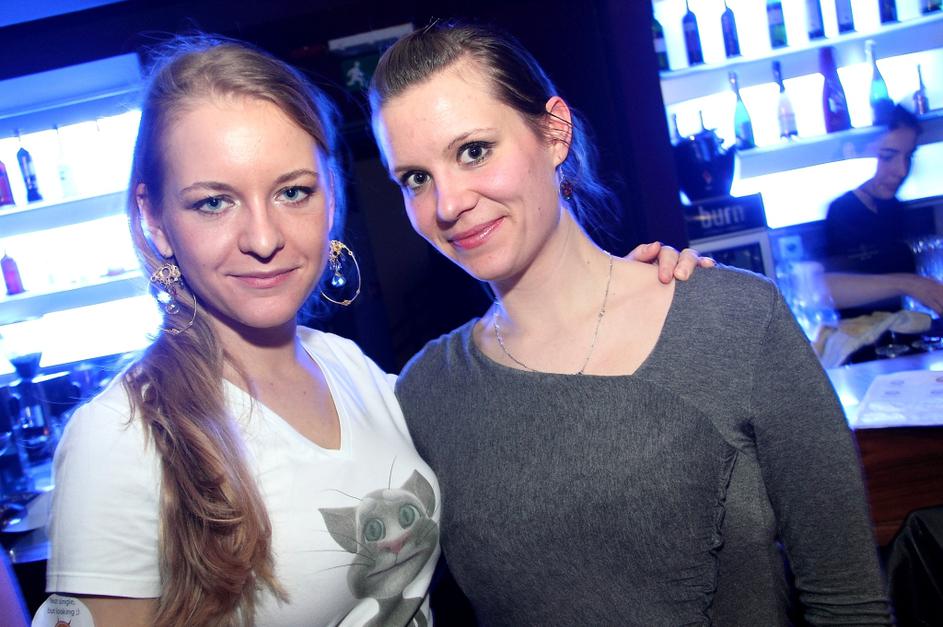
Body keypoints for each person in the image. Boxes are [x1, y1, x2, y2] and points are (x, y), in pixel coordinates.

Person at [39, 34, 699, 627]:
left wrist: (638, 296)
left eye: (292, 191)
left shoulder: (353, 370)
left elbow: (534, 440)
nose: (263, 238)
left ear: (331, 196)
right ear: (154, 218)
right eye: (214, 202)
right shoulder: (120, 438)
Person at [370, 21, 892, 625]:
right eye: (416, 179)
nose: (447, 203)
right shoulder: (426, 392)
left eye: (474, 151)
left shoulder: (732, 318)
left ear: (554, 132)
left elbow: (849, 602)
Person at [824, 105, 943, 316]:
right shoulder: (842, 212)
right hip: (861, 336)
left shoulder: (895, 207)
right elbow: (829, 291)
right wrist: (908, 284)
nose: (902, 171)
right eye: (888, 157)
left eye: (908, 157)